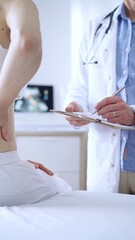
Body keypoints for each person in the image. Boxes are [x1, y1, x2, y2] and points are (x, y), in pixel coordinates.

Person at [0, 0, 71, 206]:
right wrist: (2, 103)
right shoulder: (13, 4)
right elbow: (27, 43)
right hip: (7, 176)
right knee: (61, 185)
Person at [64, 0, 135, 194]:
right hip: (107, 163)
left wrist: (133, 113)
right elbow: (79, 83)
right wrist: (75, 106)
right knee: (108, 223)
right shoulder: (96, 27)